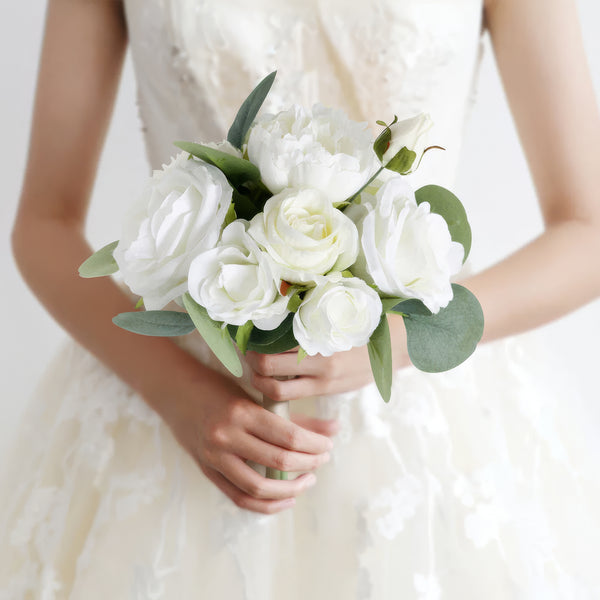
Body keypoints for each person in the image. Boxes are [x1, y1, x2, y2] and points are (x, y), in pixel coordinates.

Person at [2, 0, 600, 597]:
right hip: (175, 405)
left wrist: (383, 339)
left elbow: (588, 231)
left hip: (424, 413)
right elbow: (45, 221)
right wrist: (173, 388)